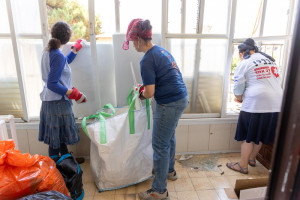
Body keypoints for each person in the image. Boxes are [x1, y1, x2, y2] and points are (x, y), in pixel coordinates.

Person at [123, 19, 189, 200]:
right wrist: (146, 89)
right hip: (181, 97)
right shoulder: (161, 51)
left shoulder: (146, 60)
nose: (132, 45)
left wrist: (141, 93)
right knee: (169, 137)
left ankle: (159, 191)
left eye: (132, 41)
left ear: (138, 39)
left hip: (169, 103)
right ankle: (169, 171)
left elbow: (150, 92)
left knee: (160, 145)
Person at [226, 38, 283, 174]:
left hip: (256, 102)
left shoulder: (245, 63)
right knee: (260, 134)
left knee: (247, 136)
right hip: (277, 104)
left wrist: (238, 98)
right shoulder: (271, 61)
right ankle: (252, 159)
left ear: (241, 53)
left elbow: (238, 89)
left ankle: (242, 165)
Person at [39, 21, 87, 158]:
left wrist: (74, 51)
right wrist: (73, 93)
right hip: (57, 103)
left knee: (58, 139)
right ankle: (55, 173)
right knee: (55, 143)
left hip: (50, 101)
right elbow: (52, 83)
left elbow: (62, 64)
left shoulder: (48, 50)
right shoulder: (57, 55)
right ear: (66, 38)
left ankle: (67, 165)